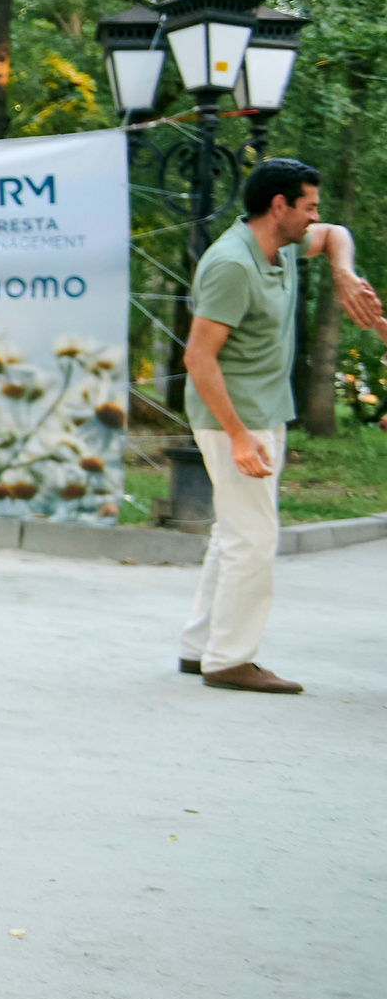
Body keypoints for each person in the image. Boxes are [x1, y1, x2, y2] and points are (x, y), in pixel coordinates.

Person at [178, 159, 382, 695]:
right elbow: (199, 358)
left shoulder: (282, 246)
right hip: (234, 418)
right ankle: (230, 660)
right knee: (254, 536)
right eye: (309, 206)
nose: (317, 215)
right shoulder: (232, 265)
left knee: (234, 530)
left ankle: (200, 647)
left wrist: (342, 271)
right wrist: (240, 434)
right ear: (279, 207)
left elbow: (337, 236)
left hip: (265, 410)